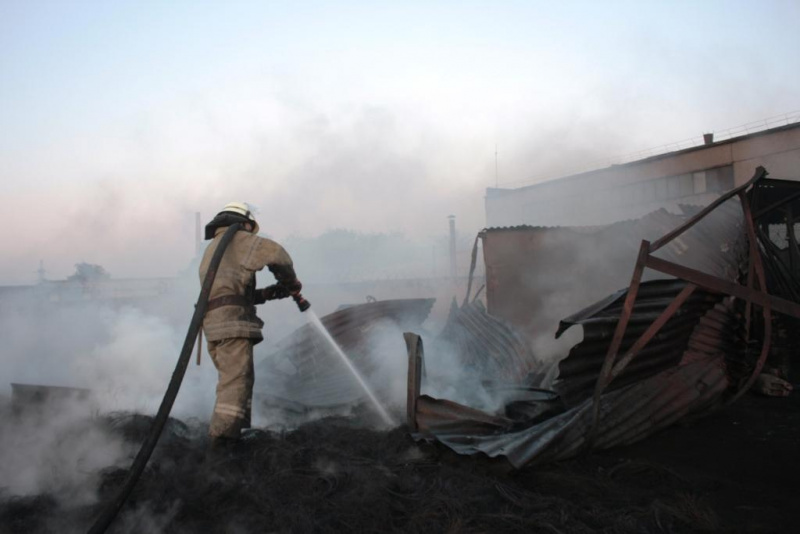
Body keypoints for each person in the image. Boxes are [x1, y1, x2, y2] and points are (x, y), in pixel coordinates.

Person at [199, 202, 302, 445]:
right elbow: (278, 255)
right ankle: (223, 443)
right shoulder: (239, 239)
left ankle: (236, 432)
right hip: (231, 323)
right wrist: (291, 283)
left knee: (238, 379)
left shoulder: (213, 249)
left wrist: (267, 294)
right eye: (248, 227)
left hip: (215, 324)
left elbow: (228, 293)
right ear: (243, 223)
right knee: (234, 383)